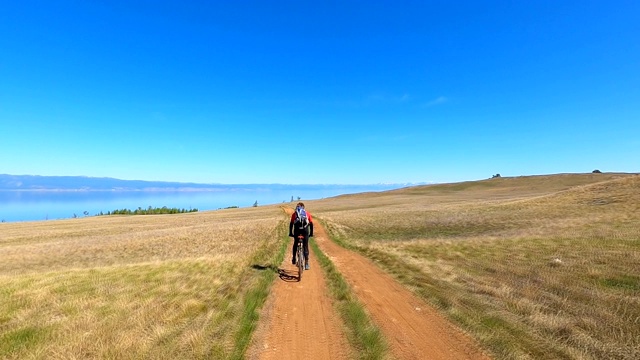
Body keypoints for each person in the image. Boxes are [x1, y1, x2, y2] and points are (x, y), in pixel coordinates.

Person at [289, 202, 314, 270]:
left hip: (297, 231)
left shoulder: (294, 214)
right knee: (305, 246)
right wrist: (311, 233)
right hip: (305, 231)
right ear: (303, 208)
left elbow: (291, 224)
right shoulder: (307, 214)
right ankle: (306, 263)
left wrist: (290, 233)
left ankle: (294, 258)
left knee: (295, 243)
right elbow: (311, 224)